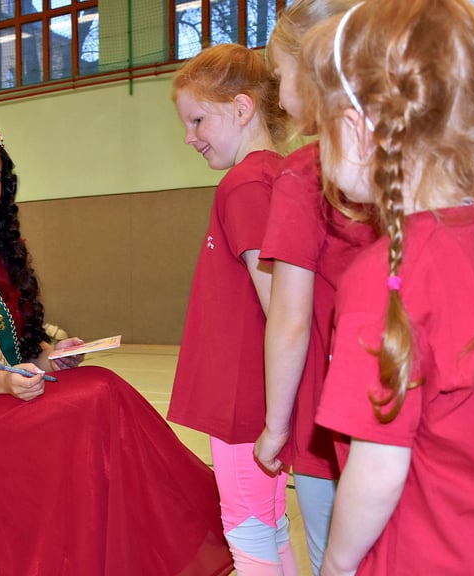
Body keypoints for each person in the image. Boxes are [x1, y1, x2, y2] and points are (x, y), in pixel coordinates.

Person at [0, 118, 233, 576]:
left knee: (100, 387)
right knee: (95, 399)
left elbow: (9, 353)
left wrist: (46, 359)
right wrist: (4, 381)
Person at [302, 1, 474, 574]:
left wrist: (337, 563)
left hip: (422, 557)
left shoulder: (385, 277)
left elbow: (379, 467)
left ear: (361, 132)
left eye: (321, 125)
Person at [252, 2, 374, 574]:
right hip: (407, 416)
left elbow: (290, 317)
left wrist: (276, 426)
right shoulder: (418, 167)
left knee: (335, 557)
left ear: (316, 68)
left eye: (280, 77)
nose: (279, 94)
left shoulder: (304, 172)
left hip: (335, 416)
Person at [168, 43, 297, 576]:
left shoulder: (243, 183)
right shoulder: (280, 173)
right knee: (269, 525)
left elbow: (278, 301)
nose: (189, 136)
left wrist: (276, 415)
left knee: (246, 530)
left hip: (245, 400)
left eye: (199, 119)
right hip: (260, 395)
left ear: (243, 109)